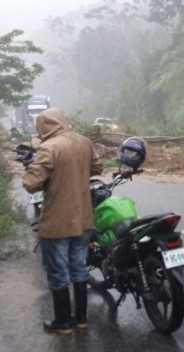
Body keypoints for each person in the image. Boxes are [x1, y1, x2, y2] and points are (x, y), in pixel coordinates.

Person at [22, 108, 103, 334]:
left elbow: (31, 183)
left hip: (57, 222)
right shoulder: (84, 142)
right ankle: (81, 319)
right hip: (83, 219)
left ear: (44, 127)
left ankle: (63, 322)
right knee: (78, 269)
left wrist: (30, 169)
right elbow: (97, 168)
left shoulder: (48, 147)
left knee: (58, 272)